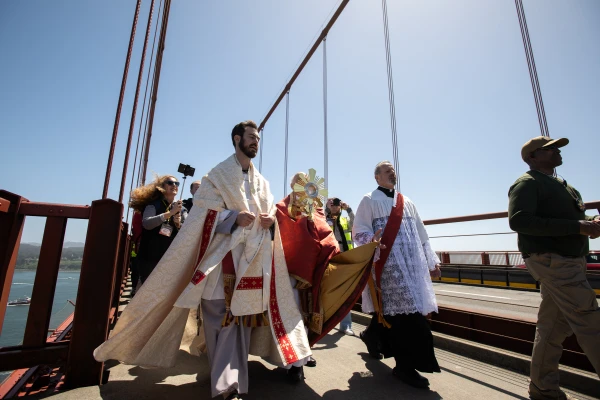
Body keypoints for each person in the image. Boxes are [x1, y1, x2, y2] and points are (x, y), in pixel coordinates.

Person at [94, 120, 312, 400]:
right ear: (237, 139)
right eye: (251, 137)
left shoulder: (263, 183)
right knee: (217, 319)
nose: (256, 141)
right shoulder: (216, 177)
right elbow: (201, 217)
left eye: (257, 138)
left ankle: (227, 384)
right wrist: (232, 217)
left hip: (251, 263)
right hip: (220, 261)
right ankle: (225, 382)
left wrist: (270, 221)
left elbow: (269, 215)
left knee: (239, 322)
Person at [508, 136, 600, 400]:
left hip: (570, 260)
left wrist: (590, 222)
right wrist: (578, 227)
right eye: (550, 149)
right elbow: (519, 220)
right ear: (533, 157)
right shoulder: (527, 183)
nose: (557, 151)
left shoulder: (564, 186)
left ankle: (543, 389)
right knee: (591, 321)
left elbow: (574, 219)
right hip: (553, 261)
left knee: (552, 328)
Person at [354, 160, 442, 390]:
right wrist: (370, 240)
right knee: (409, 315)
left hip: (412, 268)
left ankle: (372, 336)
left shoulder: (408, 202)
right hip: (388, 266)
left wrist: (432, 262)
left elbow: (422, 233)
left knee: (393, 312)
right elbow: (359, 231)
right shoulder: (369, 199)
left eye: (393, 169)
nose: (392, 172)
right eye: (386, 170)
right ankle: (404, 367)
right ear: (377, 177)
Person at [276, 173, 341, 375]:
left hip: (313, 268)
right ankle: (293, 360)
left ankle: (304, 353)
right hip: (290, 269)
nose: (302, 187)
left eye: (305, 183)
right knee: (293, 314)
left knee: (310, 314)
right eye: (298, 183)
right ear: (291, 185)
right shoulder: (281, 207)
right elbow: (284, 233)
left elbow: (324, 231)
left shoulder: (316, 207)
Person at [129, 174, 187, 283]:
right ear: (162, 186)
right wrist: (170, 213)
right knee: (147, 290)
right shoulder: (153, 205)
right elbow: (147, 223)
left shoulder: (182, 209)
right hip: (149, 257)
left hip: (169, 259)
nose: (174, 185)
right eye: (170, 183)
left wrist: (178, 224)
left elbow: (187, 232)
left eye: (177, 183)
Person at [326, 197, 355, 335]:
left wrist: (348, 209)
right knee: (327, 290)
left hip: (345, 256)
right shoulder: (324, 219)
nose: (334, 206)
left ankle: (345, 325)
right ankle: (323, 322)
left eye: (336, 204)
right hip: (329, 258)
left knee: (346, 291)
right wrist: (326, 210)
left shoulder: (344, 220)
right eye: (332, 204)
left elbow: (356, 224)